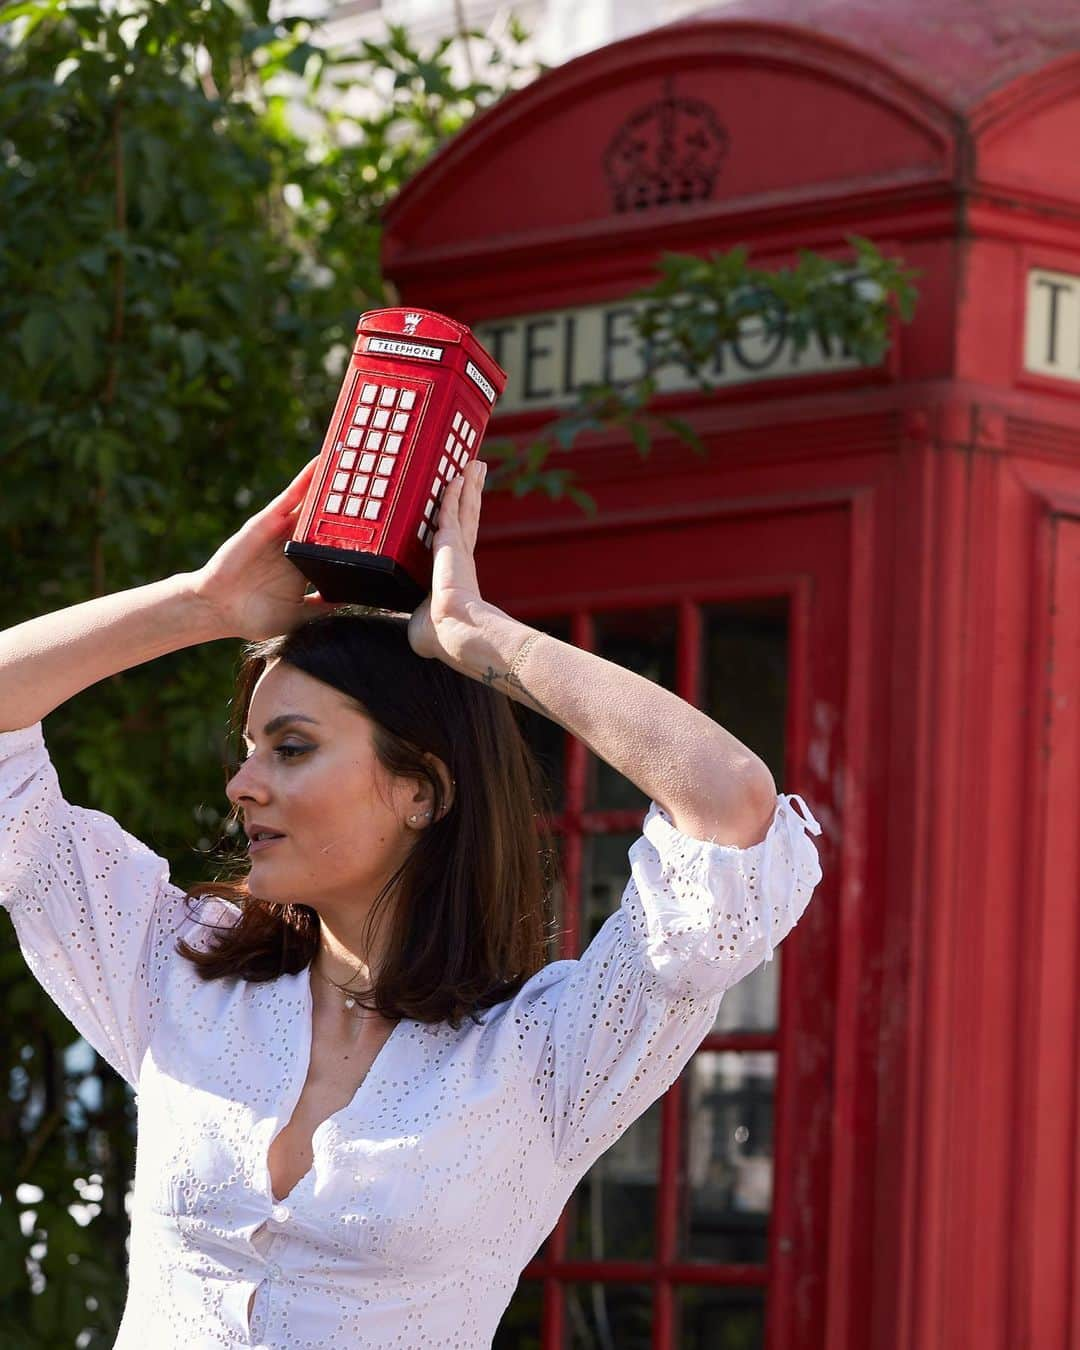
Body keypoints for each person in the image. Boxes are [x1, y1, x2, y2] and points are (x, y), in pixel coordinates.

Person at [0, 454, 824, 1348]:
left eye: (291, 747)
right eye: (249, 747)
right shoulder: (177, 973)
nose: (241, 784)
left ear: (421, 791)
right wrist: (203, 605)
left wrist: (482, 636)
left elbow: (729, 804)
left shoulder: (543, 1059)